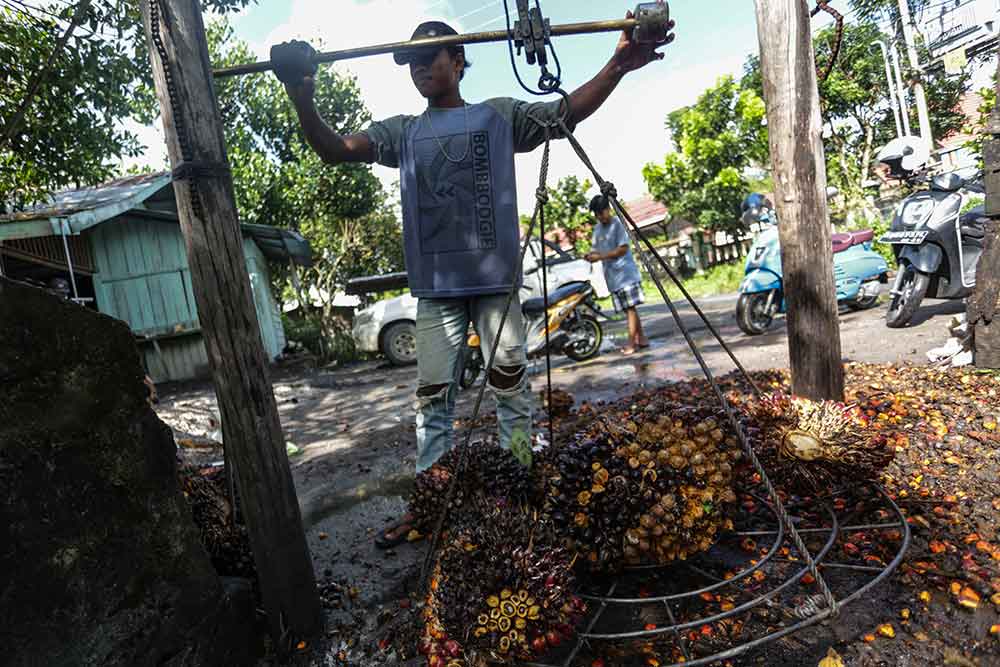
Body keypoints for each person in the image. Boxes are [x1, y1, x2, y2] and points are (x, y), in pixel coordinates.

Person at [271, 13, 674, 548]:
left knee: (511, 388)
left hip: (495, 284)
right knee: (433, 401)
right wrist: (301, 94)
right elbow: (335, 149)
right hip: (437, 291)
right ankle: (431, 506)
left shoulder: (498, 117)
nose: (419, 69)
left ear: (458, 61)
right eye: (410, 62)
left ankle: (521, 497)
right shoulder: (402, 133)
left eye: (429, 58)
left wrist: (619, 65)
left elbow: (564, 112)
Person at [585, 195, 648, 354]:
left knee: (630, 309)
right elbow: (595, 250)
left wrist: (600, 257)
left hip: (625, 274)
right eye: (597, 214)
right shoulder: (597, 229)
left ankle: (631, 344)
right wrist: (591, 256)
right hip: (613, 278)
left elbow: (623, 249)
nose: (600, 216)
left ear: (608, 209)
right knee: (629, 309)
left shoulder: (618, 225)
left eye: (602, 212)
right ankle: (642, 339)